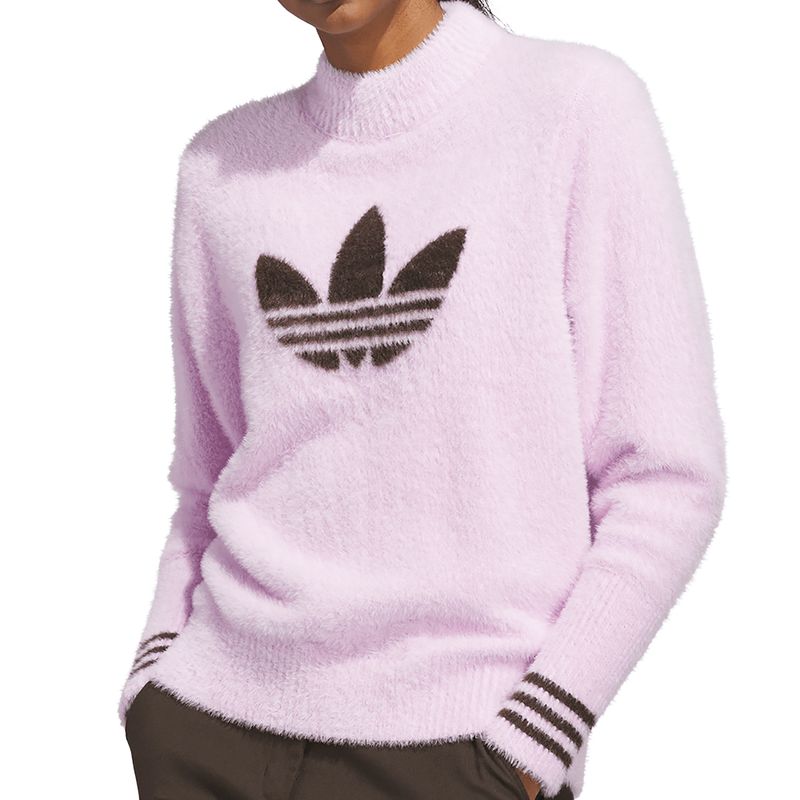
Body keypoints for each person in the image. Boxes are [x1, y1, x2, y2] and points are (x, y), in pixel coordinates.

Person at [118, 2, 727, 799]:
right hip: (211, 729)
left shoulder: (574, 108)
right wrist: (153, 686)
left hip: (457, 751)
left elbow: (667, 478)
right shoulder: (221, 169)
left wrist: (532, 740)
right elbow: (208, 478)